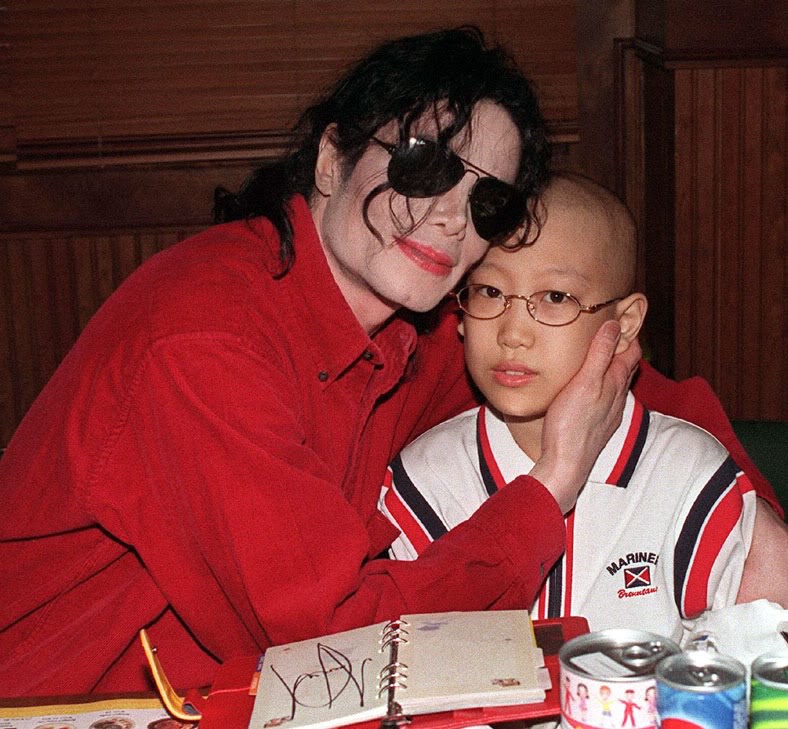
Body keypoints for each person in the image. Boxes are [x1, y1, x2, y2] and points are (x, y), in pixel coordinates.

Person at [0, 27, 780, 697]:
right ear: (331, 159)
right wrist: (552, 487)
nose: (449, 215)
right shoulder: (207, 344)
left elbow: (612, 378)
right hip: (71, 699)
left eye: (486, 201)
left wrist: (751, 517)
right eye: (421, 164)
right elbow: (337, 641)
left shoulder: (418, 328)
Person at [379, 173, 787, 645]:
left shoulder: (688, 474)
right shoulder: (424, 481)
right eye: (490, 292)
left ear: (626, 323)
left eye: (555, 298)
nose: (513, 334)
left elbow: (756, 650)